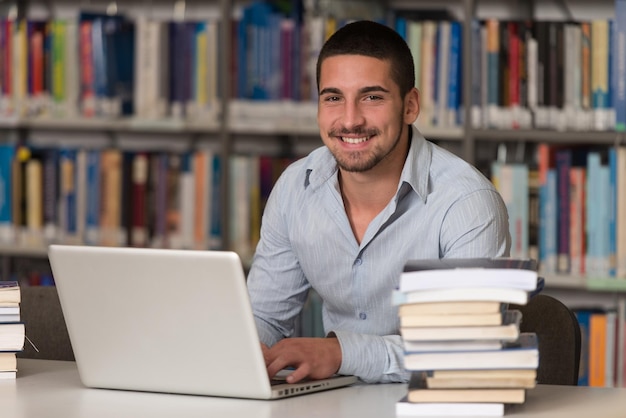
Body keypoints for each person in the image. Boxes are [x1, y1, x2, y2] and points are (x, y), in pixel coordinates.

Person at [246, 20, 510, 385]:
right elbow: (266, 318)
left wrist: (341, 353)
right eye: (333, 98)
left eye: (372, 97)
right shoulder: (296, 188)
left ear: (410, 106)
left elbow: (466, 352)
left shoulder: (466, 204)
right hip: (330, 403)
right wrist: (247, 348)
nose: (350, 120)